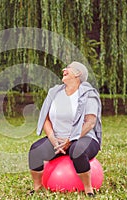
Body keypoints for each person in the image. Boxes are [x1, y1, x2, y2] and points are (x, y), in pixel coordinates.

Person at [28, 61, 102, 197]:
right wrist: (53, 140)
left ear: (78, 73)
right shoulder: (54, 92)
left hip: (84, 137)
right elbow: (45, 119)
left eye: (68, 68)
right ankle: (37, 187)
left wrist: (71, 139)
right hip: (58, 139)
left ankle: (88, 189)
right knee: (35, 151)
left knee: (77, 151)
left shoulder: (88, 94)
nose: (64, 70)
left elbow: (90, 122)